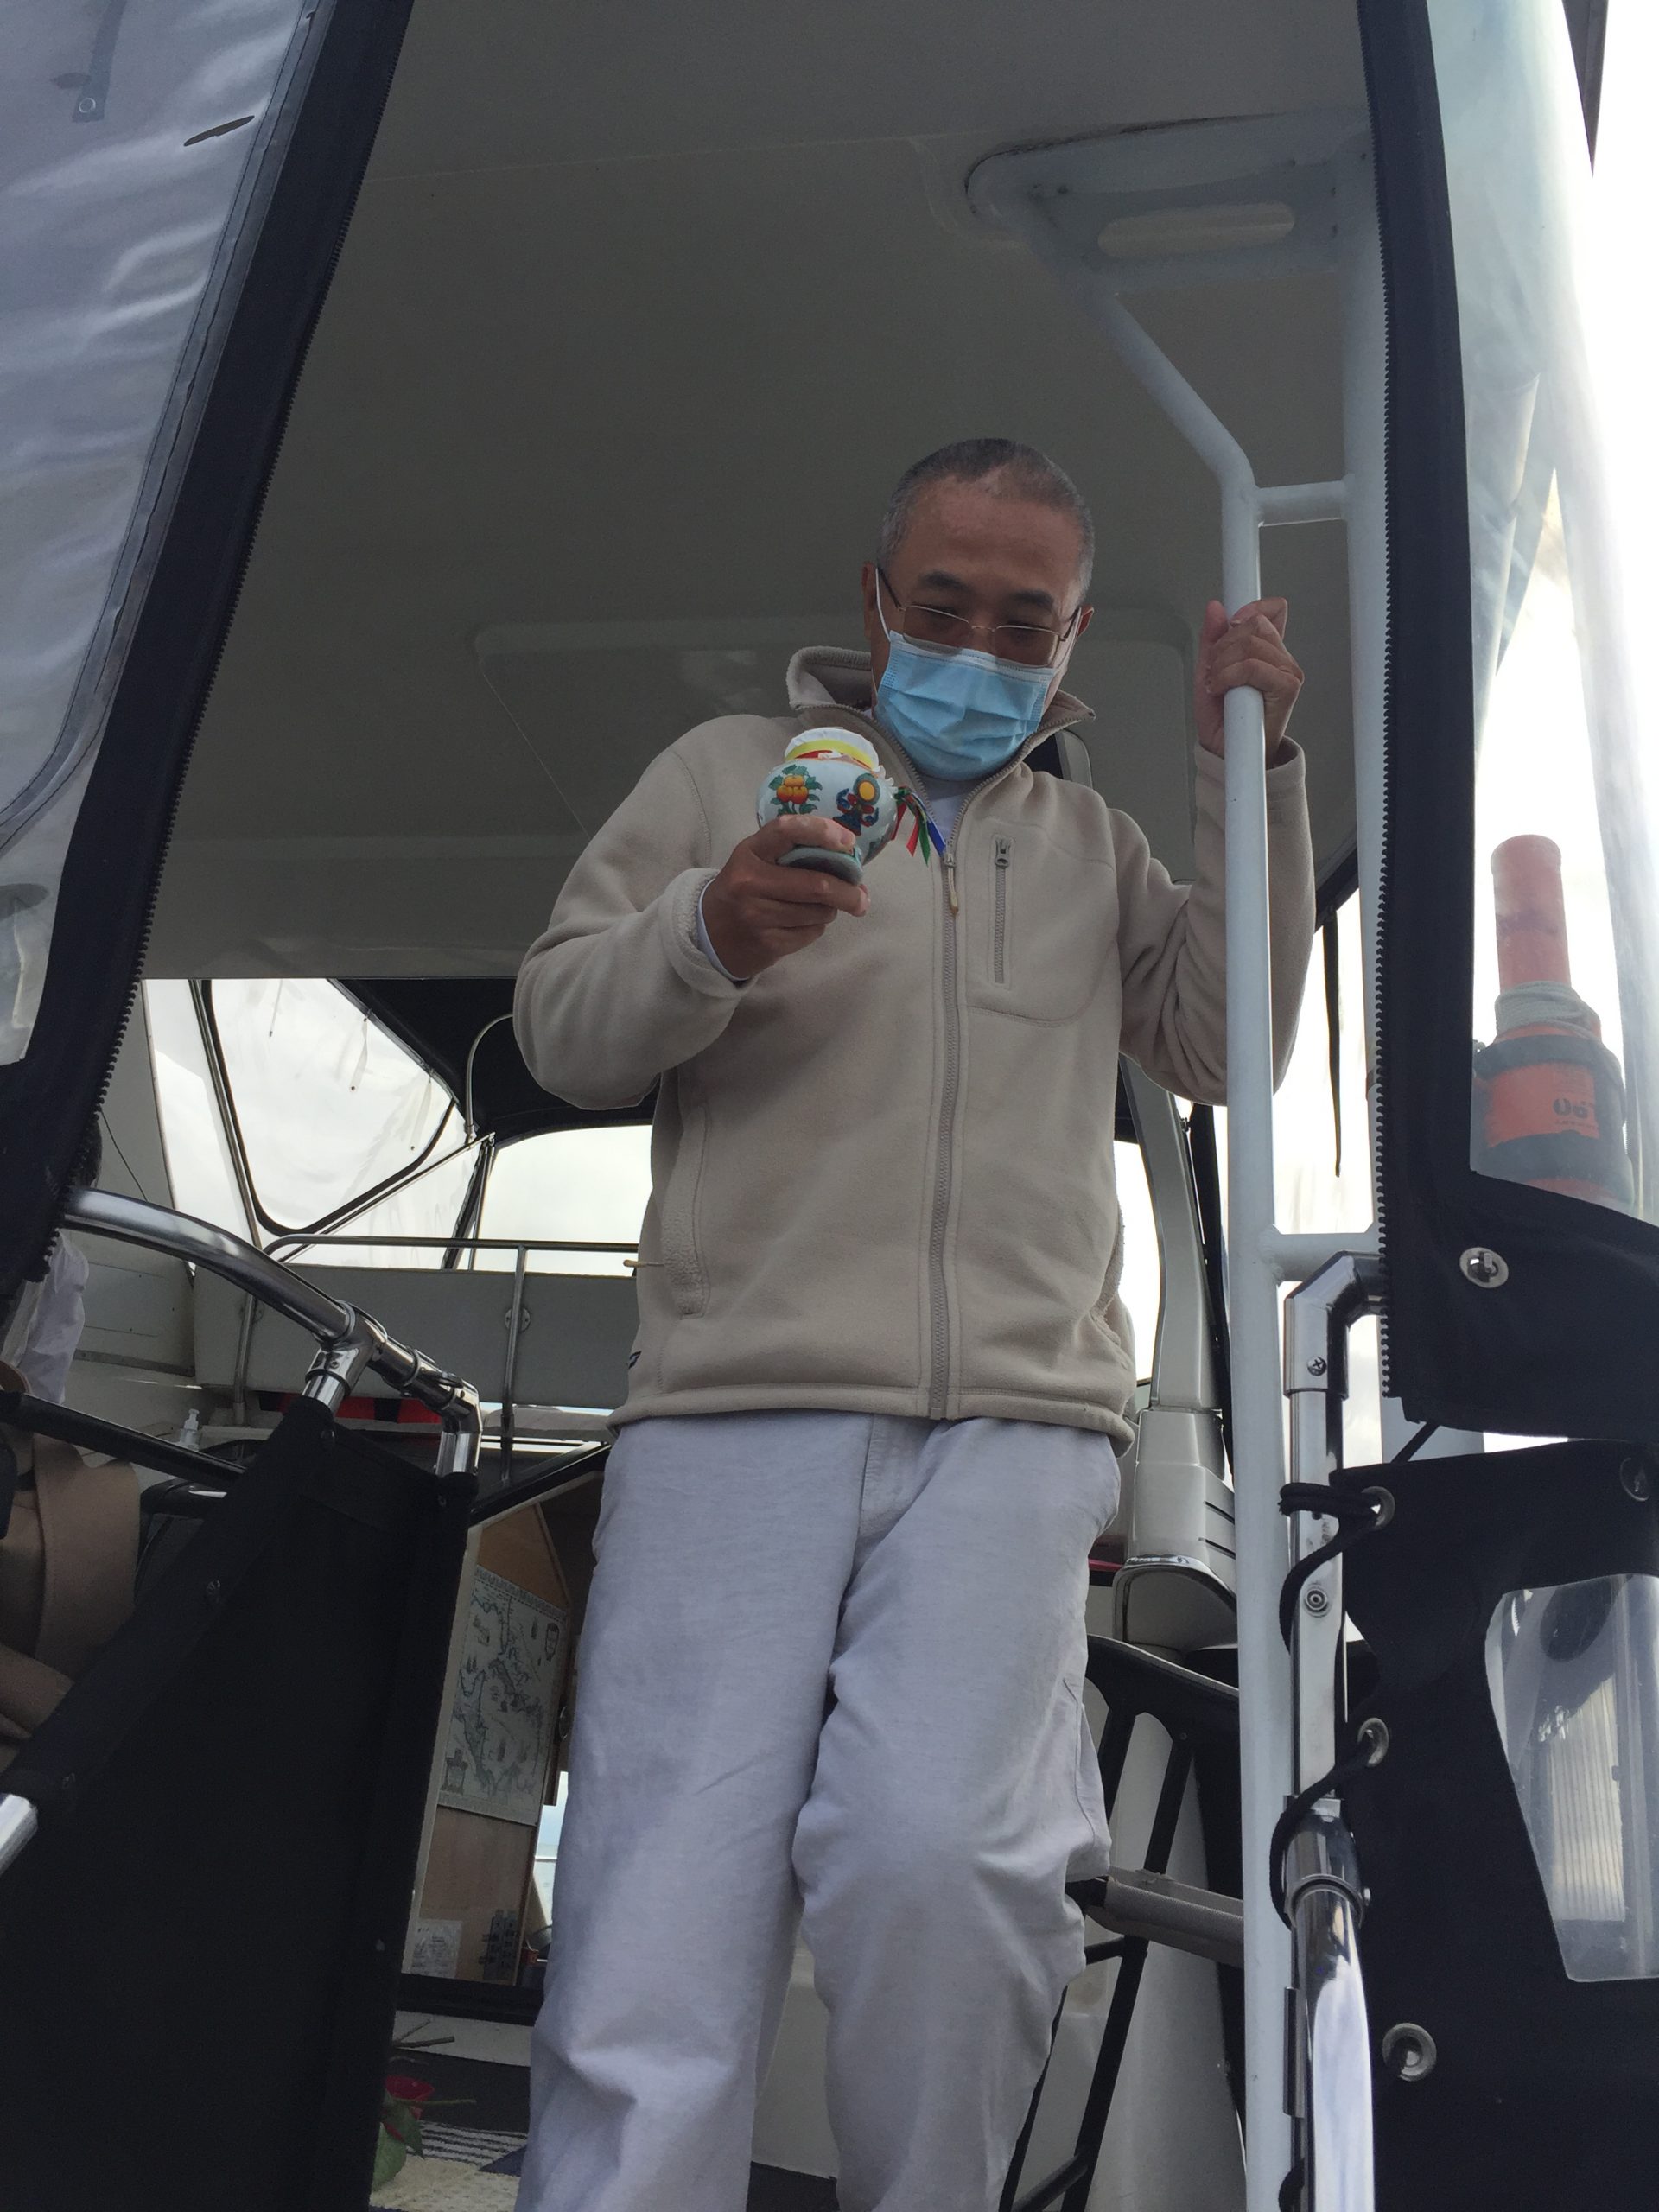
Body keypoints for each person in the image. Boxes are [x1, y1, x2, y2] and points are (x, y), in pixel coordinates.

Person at [512, 439, 1314, 2212]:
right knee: (662, 1901)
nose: (977, 644)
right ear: (876, 605)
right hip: (734, 1413)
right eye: (942, 605)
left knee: (949, 1869)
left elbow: (1225, 1041)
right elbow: (565, 1027)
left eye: (1022, 620)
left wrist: (1246, 761)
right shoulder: (721, 776)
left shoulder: (1095, 844)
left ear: (1071, 637)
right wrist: (707, 931)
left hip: (1016, 1436)